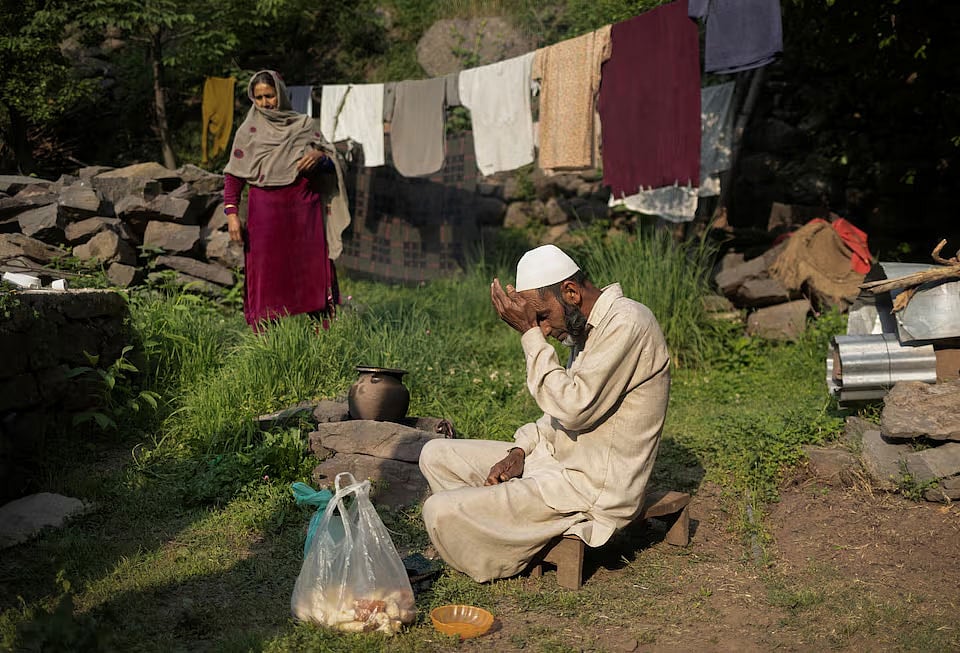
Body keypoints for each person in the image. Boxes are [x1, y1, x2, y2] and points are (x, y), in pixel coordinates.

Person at [418, 244, 671, 582]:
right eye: (535, 322)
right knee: (435, 454)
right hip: (554, 464)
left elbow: (573, 408)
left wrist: (530, 336)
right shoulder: (585, 329)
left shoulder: (627, 323)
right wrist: (520, 450)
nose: (544, 330)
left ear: (570, 292)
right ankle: (506, 526)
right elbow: (558, 417)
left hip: (591, 488)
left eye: (541, 316)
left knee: (437, 509)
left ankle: (505, 538)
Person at [223, 70, 351, 330]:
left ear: (280, 94)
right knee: (267, 277)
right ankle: (267, 347)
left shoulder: (303, 125)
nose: (265, 102)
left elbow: (331, 165)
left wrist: (319, 156)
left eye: (269, 95)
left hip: (304, 214)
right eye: (258, 97)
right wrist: (232, 213)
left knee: (312, 274)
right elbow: (234, 175)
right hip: (265, 217)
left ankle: (323, 339)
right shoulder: (248, 132)